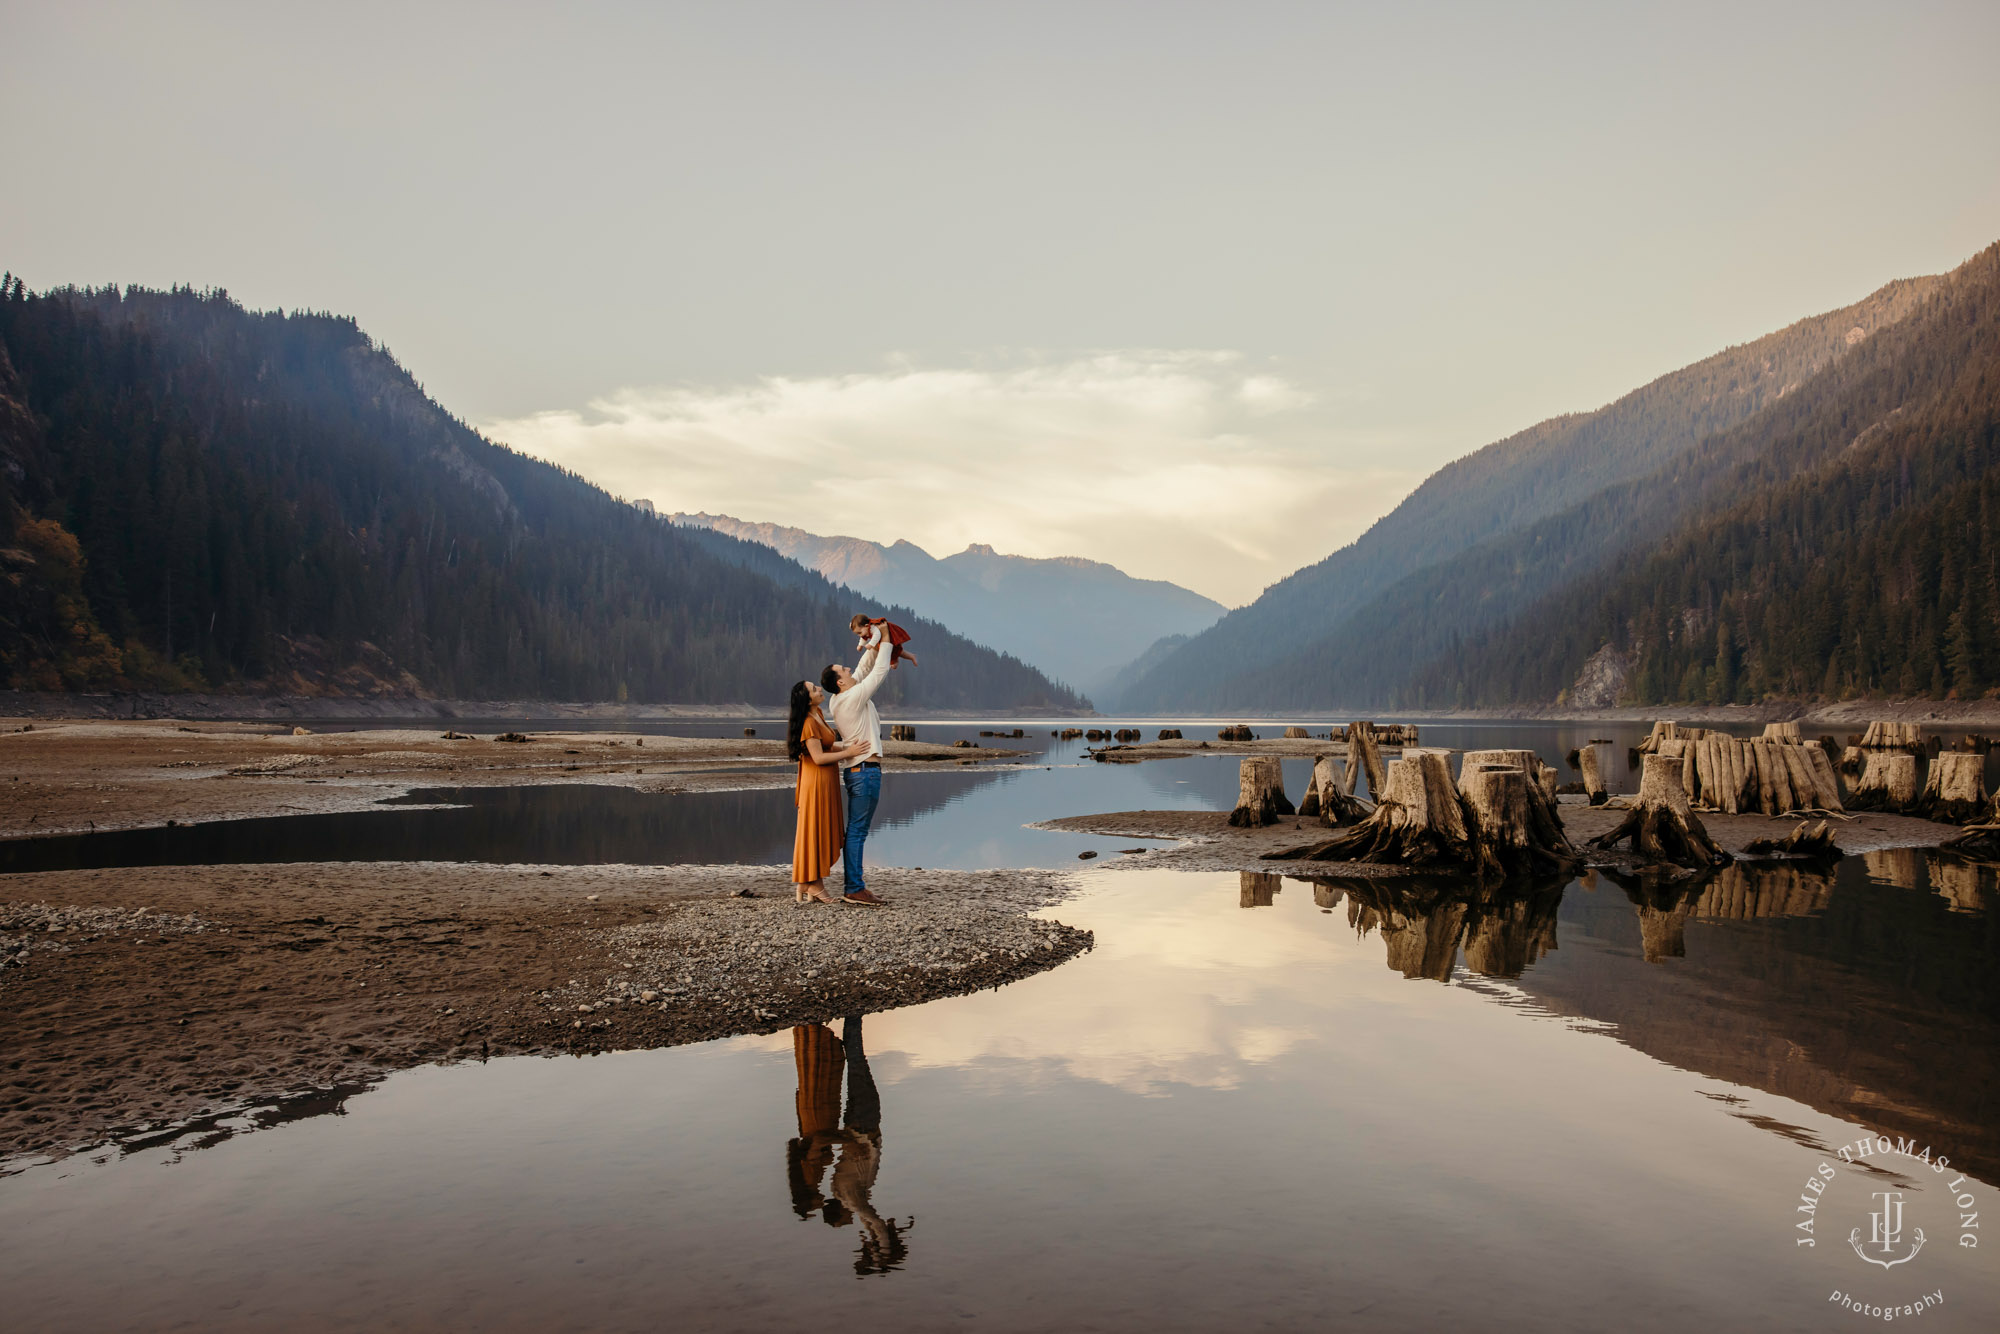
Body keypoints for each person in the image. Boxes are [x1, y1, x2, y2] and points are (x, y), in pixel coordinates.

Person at [823, 626, 894, 907]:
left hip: (860, 771)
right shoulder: (852, 697)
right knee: (857, 831)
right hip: (864, 771)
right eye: (843, 670)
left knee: (856, 830)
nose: (849, 669)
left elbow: (863, 671)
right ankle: (854, 888)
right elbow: (878, 674)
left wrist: (869, 644)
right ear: (840, 682)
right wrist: (885, 641)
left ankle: (854, 886)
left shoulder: (838, 697)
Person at [787, 680, 872, 906]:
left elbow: (826, 746)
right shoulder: (807, 723)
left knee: (820, 829)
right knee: (816, 830)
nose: (819, 690)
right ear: (807, 699)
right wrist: (849, 752)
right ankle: (814, 885)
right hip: (815, 783)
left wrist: (847, 746)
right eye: (814, 689)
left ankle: (808, 883)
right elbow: (818, 758)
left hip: (825, 781)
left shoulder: (818, 716)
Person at [849, 613, 917, 668]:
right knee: (897, 652)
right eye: (857, 634)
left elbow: (877, 635)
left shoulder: (873, 628)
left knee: (895, 654)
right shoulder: (866, 630)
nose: (859, 635)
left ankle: (899, 659)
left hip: (890, 638)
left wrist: (871, 644)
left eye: (859, 633)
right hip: (884, 640)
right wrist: (860, 645)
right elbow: (863, 638)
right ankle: (910, 656)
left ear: (866, 626)